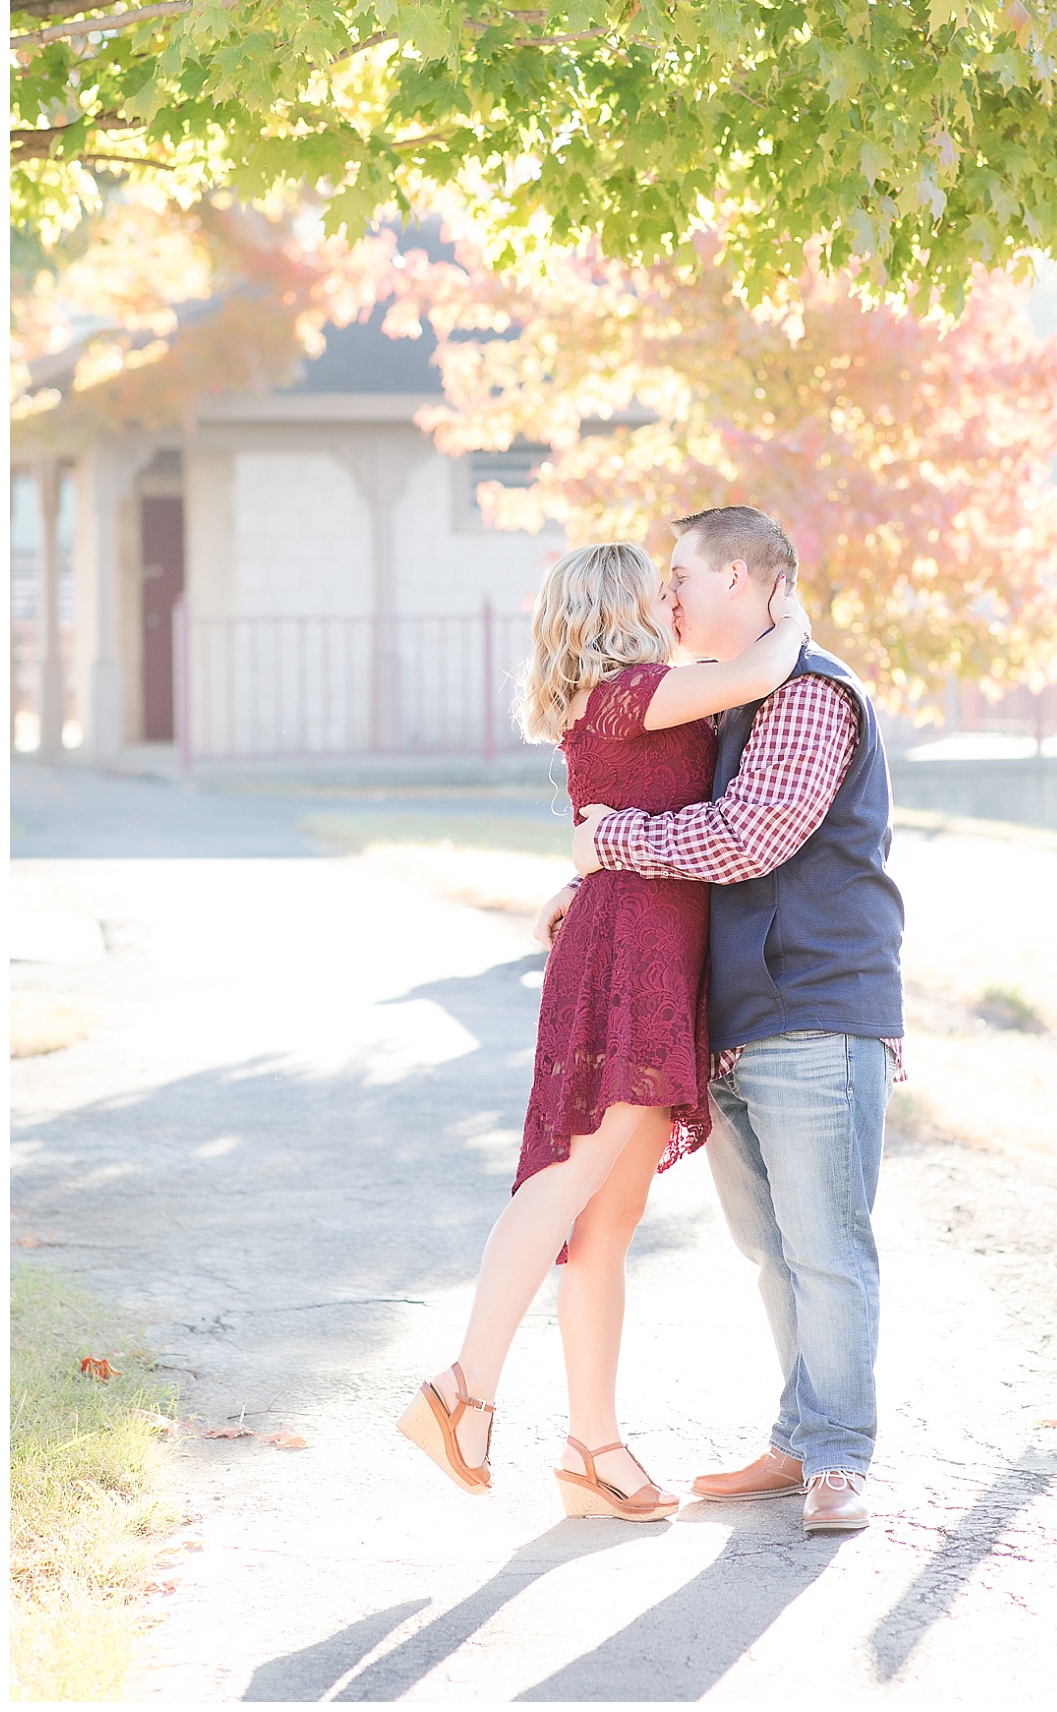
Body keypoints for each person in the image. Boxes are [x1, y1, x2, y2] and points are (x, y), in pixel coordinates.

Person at [398, 540, 809, 1522]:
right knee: (565, 1180)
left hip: (641, 946)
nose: (673, 598)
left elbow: (630, 813)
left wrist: (575, 882)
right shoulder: (634, 690)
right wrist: (789, 606)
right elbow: (761, 667)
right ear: (618, 608)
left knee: (606, 1222)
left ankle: (595, 1447)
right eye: (656, 588)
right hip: (630, 958)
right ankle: (465, 1389)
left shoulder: (622, 700)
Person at [558, 505, 905, 1537]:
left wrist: (612, 840)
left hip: (816, 1007)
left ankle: (840, 1455)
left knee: (827, 1243)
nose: (669, 596)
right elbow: (669, 840)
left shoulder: (806, 691)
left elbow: (749, 837)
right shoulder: (724, 706)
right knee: (772, 1247)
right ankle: (801, 1438)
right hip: (739, 1018)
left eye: (684, 576)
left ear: (746, 579)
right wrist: (579, 885)